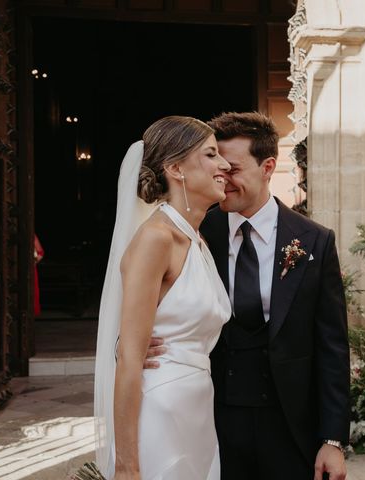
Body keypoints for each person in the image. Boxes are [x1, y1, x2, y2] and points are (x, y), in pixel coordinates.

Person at [147, 112, 351, 480]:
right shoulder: (194, 232)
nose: (223, 180)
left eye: (234, 169)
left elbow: (332, 347)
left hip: (290, 425)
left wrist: (333, 440)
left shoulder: (314, 240)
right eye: (217, 168)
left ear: (268, 166)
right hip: (211, 420)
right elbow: (150, 300)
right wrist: (130, 344)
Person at [93, 116, 232, 480]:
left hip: (197, 408)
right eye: (211, 154)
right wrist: (126, 466)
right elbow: (129, 359)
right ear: (175, 168)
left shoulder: (197, 241)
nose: (225, 165)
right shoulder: (156, 239)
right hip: (160, 408)